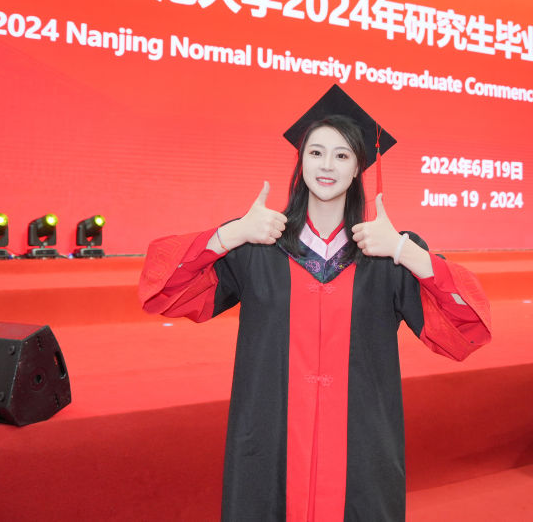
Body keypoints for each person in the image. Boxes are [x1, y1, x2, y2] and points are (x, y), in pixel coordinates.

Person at [139, 85, 491, 521]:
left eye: (342, 155)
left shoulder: (386, 255)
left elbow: (468, 328)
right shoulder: (258, 245)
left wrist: (406, 252)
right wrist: (230, 234)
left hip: (360, 445)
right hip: (270, 441)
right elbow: (163, 291)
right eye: (316, 152)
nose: (327, 165)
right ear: (300, 162)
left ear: (358, 167)